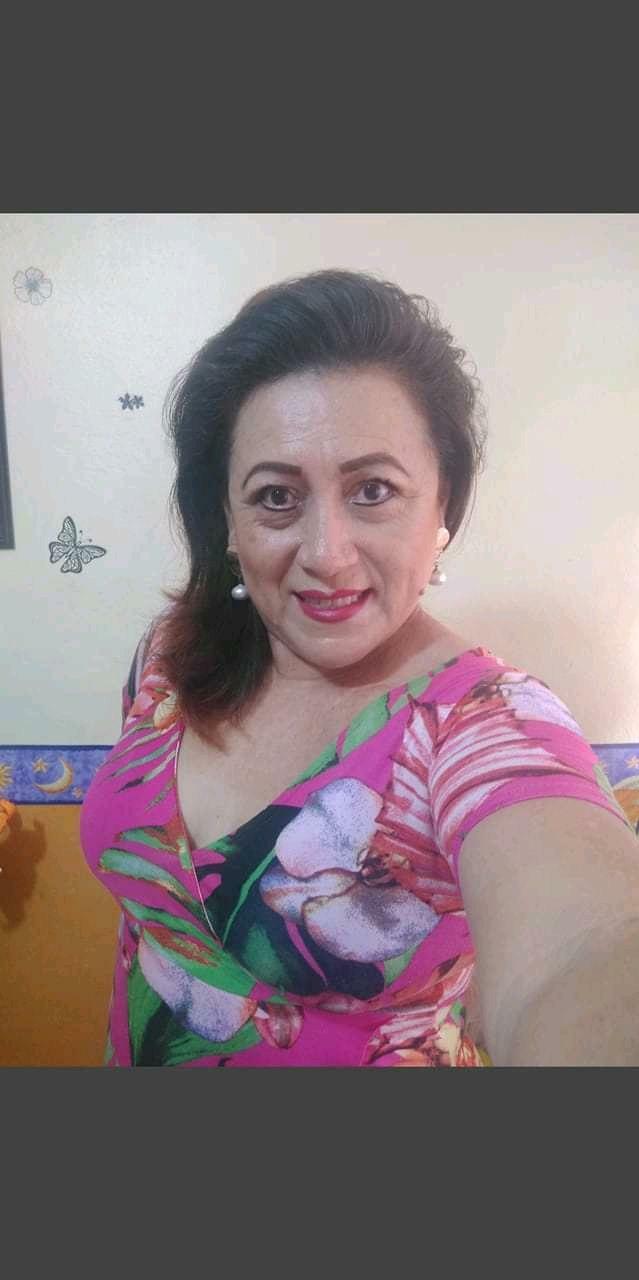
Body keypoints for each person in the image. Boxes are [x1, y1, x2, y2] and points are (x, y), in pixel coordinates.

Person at [80, 269, 639, 1067]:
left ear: (441, 507)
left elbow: (582, 951)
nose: (326, 555)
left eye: (372, 490)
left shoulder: (483, 724)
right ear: (226, 519)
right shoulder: (167, 657)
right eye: (276, 497)